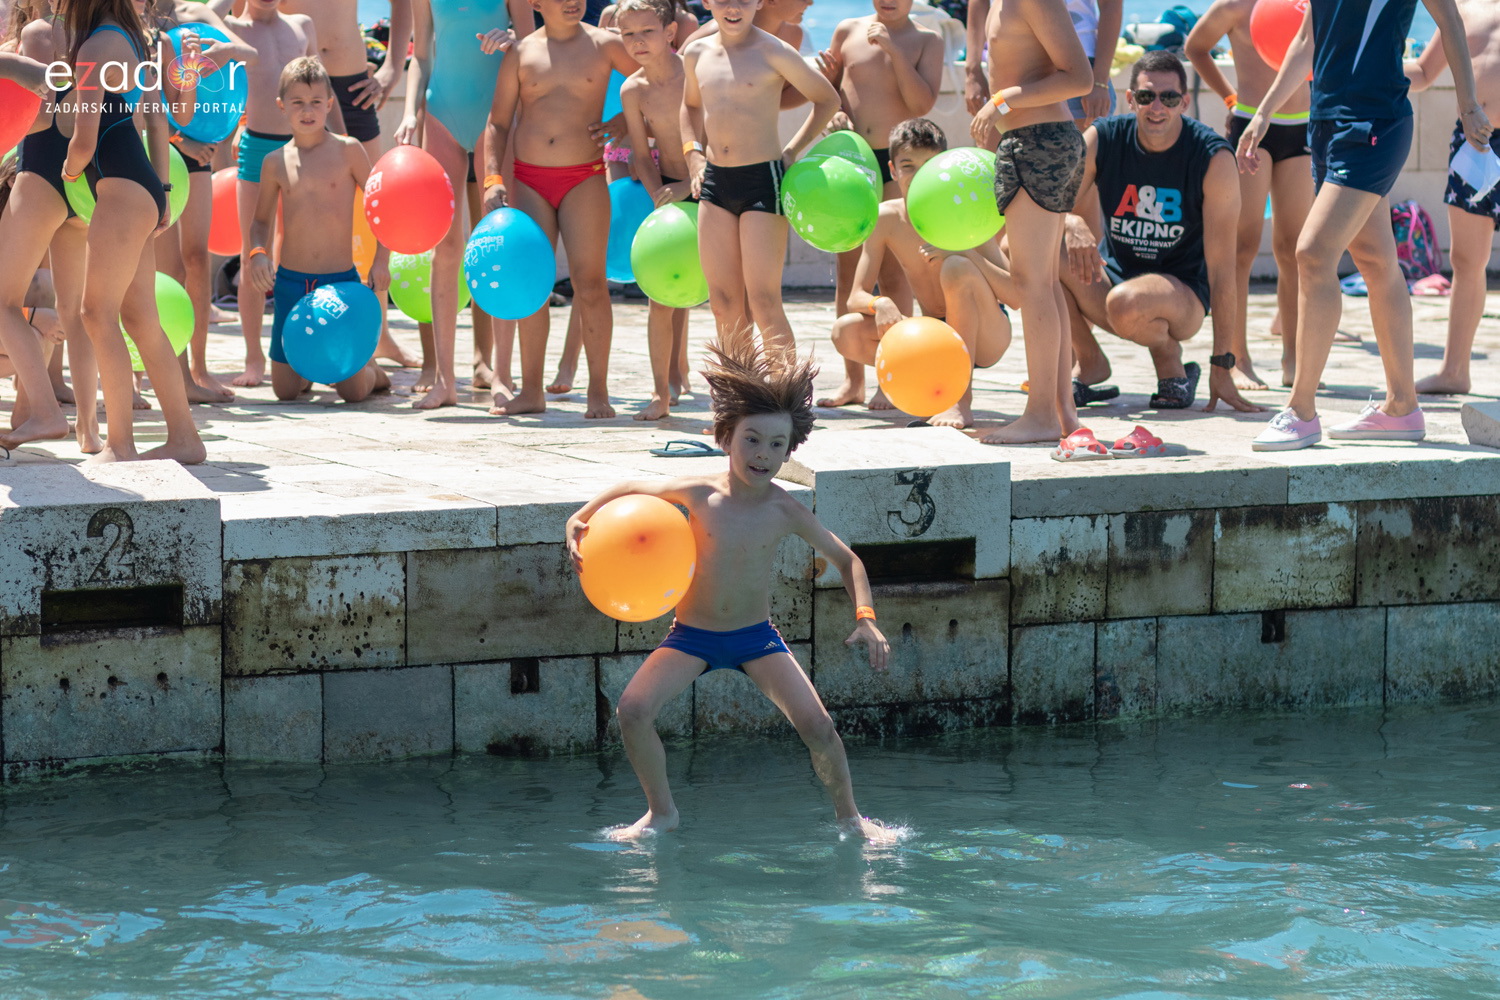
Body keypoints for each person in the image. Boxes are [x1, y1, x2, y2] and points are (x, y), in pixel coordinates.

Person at [566, 343, 897, 844]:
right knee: (632, 711)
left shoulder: (785, 510)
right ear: (726, 437)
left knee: (820, 728)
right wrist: (581, 515)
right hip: (691, 637)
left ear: (790, 451)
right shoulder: (698, 492)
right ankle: (661, 813)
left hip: (755, 640)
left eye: (776, 445)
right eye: (752, 440)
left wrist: (866, 616)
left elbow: (849, 560)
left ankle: (851, 818)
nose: (763, 454)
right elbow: (632, 484)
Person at [1242, 0, 1491, 451]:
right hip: (1324, 124)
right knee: (1377, 262)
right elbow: (1305, 41)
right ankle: (1402, 407)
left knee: (1312, 253)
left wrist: (1468, 102)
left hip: (1375, 123)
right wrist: (1265, 111)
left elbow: (1449, 19)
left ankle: (1301, 411)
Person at [1061, 51, 1262, 429]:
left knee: (1126, 303)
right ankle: (1089, 361)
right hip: (1114, 279)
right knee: (1027, 250)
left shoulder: (1212, 157)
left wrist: (1224, 364)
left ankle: (1169, 359)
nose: (1157, 107)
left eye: (1168, 98)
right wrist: (1071, 221)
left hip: (1182, 294)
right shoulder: (1103, 137)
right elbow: (1054, 206)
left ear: (1184, 103)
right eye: (1146, 97)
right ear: (1129, 98)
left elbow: (1223, 271)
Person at [61, 0, 205, 463]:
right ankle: (185, 438)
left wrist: (67, 171)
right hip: (142, 186)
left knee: (94, 313)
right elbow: (158, 120)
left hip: (120, 191)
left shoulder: (92, 48)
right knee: (141, 318)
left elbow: (84, 140)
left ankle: (119, 444)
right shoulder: (131, 43)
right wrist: (162, 191)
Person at [480, 0, 638, 418]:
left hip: (585, 177)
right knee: (533, 288)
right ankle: (531, 390)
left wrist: (622, 121)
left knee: (590, 283)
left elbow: (657, 82)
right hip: (529, 180)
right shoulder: (521, 52)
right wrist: (492, 178)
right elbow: (496, 123)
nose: (572, 1)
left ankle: (598, 392)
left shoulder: (606, 45)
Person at [828, 118, 1015, 428]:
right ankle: (925, 390)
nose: (917, 176)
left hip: (987, 334)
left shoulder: (963, 212)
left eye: (928, 165)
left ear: (943, 164)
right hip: (935, 337)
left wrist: (965, 252)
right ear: (892, 170)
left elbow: (1015, 295)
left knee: (956, 267)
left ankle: (959, 401)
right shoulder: (887, 217)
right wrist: (880, 304)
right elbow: (855, 297)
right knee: (845, 332)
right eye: (908, 166)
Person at [680, 0, 840, 357]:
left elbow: (827, 99)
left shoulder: (774, 51)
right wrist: (693, 156)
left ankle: (786, 400)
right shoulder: (696, 53)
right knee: (722, 302)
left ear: (759, 2)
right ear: (707, 2)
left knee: (764, 300)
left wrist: (791, 151)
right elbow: (690, 105)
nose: (733, 7)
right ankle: (741, 395)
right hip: (714, 183)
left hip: (761, 181)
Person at [967, 0, 1092, 446]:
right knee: (1044, 283)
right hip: (1030, 139)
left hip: (1040, 141)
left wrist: (1002, 100)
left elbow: (1080, 76)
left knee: (1032, 284)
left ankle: (1040, 413)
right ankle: (1061, 413)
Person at [397, 0, 532, 409]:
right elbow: (421, 55)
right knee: (446, 245)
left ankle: (502, 376)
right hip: (442, 111)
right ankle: (444, 380)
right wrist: (408, 113)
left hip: (499, 114)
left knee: (498, 243)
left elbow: (535, 45)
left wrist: (513, 41)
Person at [813, 0, 943, 410]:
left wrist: (893, 50)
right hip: (853, 162)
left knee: (893, 271)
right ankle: (852, 380)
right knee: (847, 268)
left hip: (899, 163)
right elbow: (828, 93)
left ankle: (891, 377)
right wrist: (834, 113)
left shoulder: (926, 40)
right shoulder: (847, 30)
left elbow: (921, 104)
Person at [280, 0, 422, 373]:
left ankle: (381, 333)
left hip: (352, 80)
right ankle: (301, 335)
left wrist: (393, 64)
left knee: (375, 204)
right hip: (297, 88)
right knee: (297, 210)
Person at [243, 57, 392, 403]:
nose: (307, 111)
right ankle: (311, 366)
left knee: (353, 393)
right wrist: (257, 254)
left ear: (328, 104)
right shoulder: (275, 162)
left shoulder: (348, 151)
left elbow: (379, 208)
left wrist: (381, 260)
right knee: (285, 392)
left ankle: (375, 373)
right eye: (297, 102)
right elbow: (261, 221)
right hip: (291, 284)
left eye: (315, 103)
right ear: (282, 107)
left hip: (339, 284)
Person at [1185, 0, 1314, 391]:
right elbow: (1195, 47)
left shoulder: (1306, 4)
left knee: (1296, 249)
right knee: (1241, 248)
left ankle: (1294, 356)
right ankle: (1237, 357)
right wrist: (1229, 98)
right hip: (1251, 130)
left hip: (1304, 127)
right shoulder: (1236, 5)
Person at [146, 0, 256, 404]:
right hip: (151, 152)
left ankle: (197, 368)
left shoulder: (194, 13)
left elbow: (249, 54)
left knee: (195, 260)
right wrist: (180, 139)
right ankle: (147, 371)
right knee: (161, 268)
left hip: (195, 155)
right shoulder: (129, 17)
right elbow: (132, 98)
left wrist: (217, 52)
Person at [1405, 0, 1500, 396]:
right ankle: (1455, 370)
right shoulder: (1459, 7)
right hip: (1477, 143)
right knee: (1466, 260)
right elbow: (1424, 73)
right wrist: (1367, 64)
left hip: (1476, 144)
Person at [223, 0, 317, 389]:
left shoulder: (301, 26)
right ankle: (253, 358)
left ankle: (300, 351)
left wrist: (341, 139)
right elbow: (201, 14)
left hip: (305, 146)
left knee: (302, 254)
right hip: (258, 146)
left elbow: (321, 91)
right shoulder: (232, 27)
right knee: (253, 253)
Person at [617, 0, 692, 421]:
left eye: (646, 31)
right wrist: (659, 194)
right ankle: (660, 393)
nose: (637, 42)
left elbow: (716, 139)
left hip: (711, 184)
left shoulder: (693, 71)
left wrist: (691, 184)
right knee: (659, 297)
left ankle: (739, 390)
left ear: (669, 32)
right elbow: (642, 154)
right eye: (628, 35)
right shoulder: (633, 89)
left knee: (727, 297)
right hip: (668, 191)